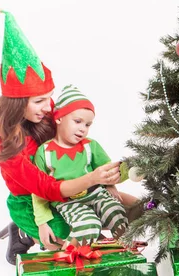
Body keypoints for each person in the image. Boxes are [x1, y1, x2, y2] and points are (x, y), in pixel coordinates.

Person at [0, 11, 122, 264]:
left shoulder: (45, 112)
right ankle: (24, 230)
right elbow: (42, 187)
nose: (49, 106)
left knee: (121, 209)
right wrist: (88, 182)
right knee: (73, 238)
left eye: (49, 97)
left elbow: (75, 146)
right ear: (17, 103)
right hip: (32, 199)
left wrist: (105, 183)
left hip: (68, 188)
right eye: (39, 101)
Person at [32, 85, 128, 248]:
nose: (82, 129)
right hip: (68, 201)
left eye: (88, 125)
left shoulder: (91, 146)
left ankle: (124, 248)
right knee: (88, 225)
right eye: (77, 122)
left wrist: (110, 184)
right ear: (59, 118)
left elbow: (108, 169)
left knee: (116, 212)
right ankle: (69, 256)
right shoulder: (45, 152)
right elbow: (38, 190)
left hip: (96, 194)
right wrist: (42, 222)